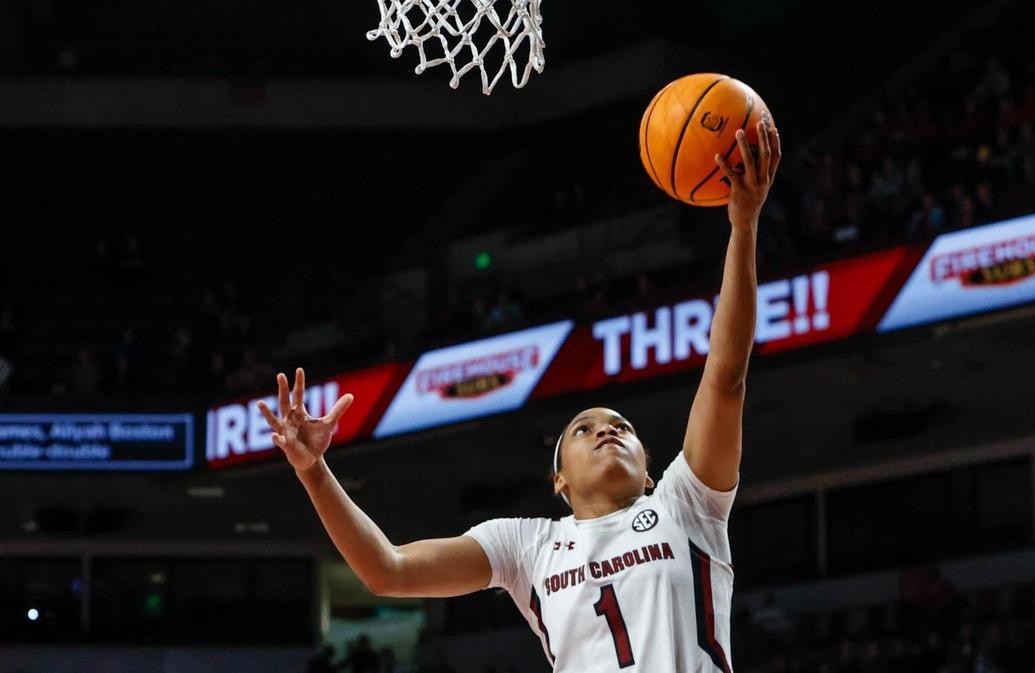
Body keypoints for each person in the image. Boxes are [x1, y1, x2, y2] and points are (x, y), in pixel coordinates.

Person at [257, 118, 782, 672]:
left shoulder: (686, 505)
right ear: (558, 479)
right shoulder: (526, 547)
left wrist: (743, 226)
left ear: (650, 473)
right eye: (583, 428)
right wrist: (314, 472)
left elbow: (726, 375)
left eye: (622, 427)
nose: (607, 430)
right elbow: (389, 570)